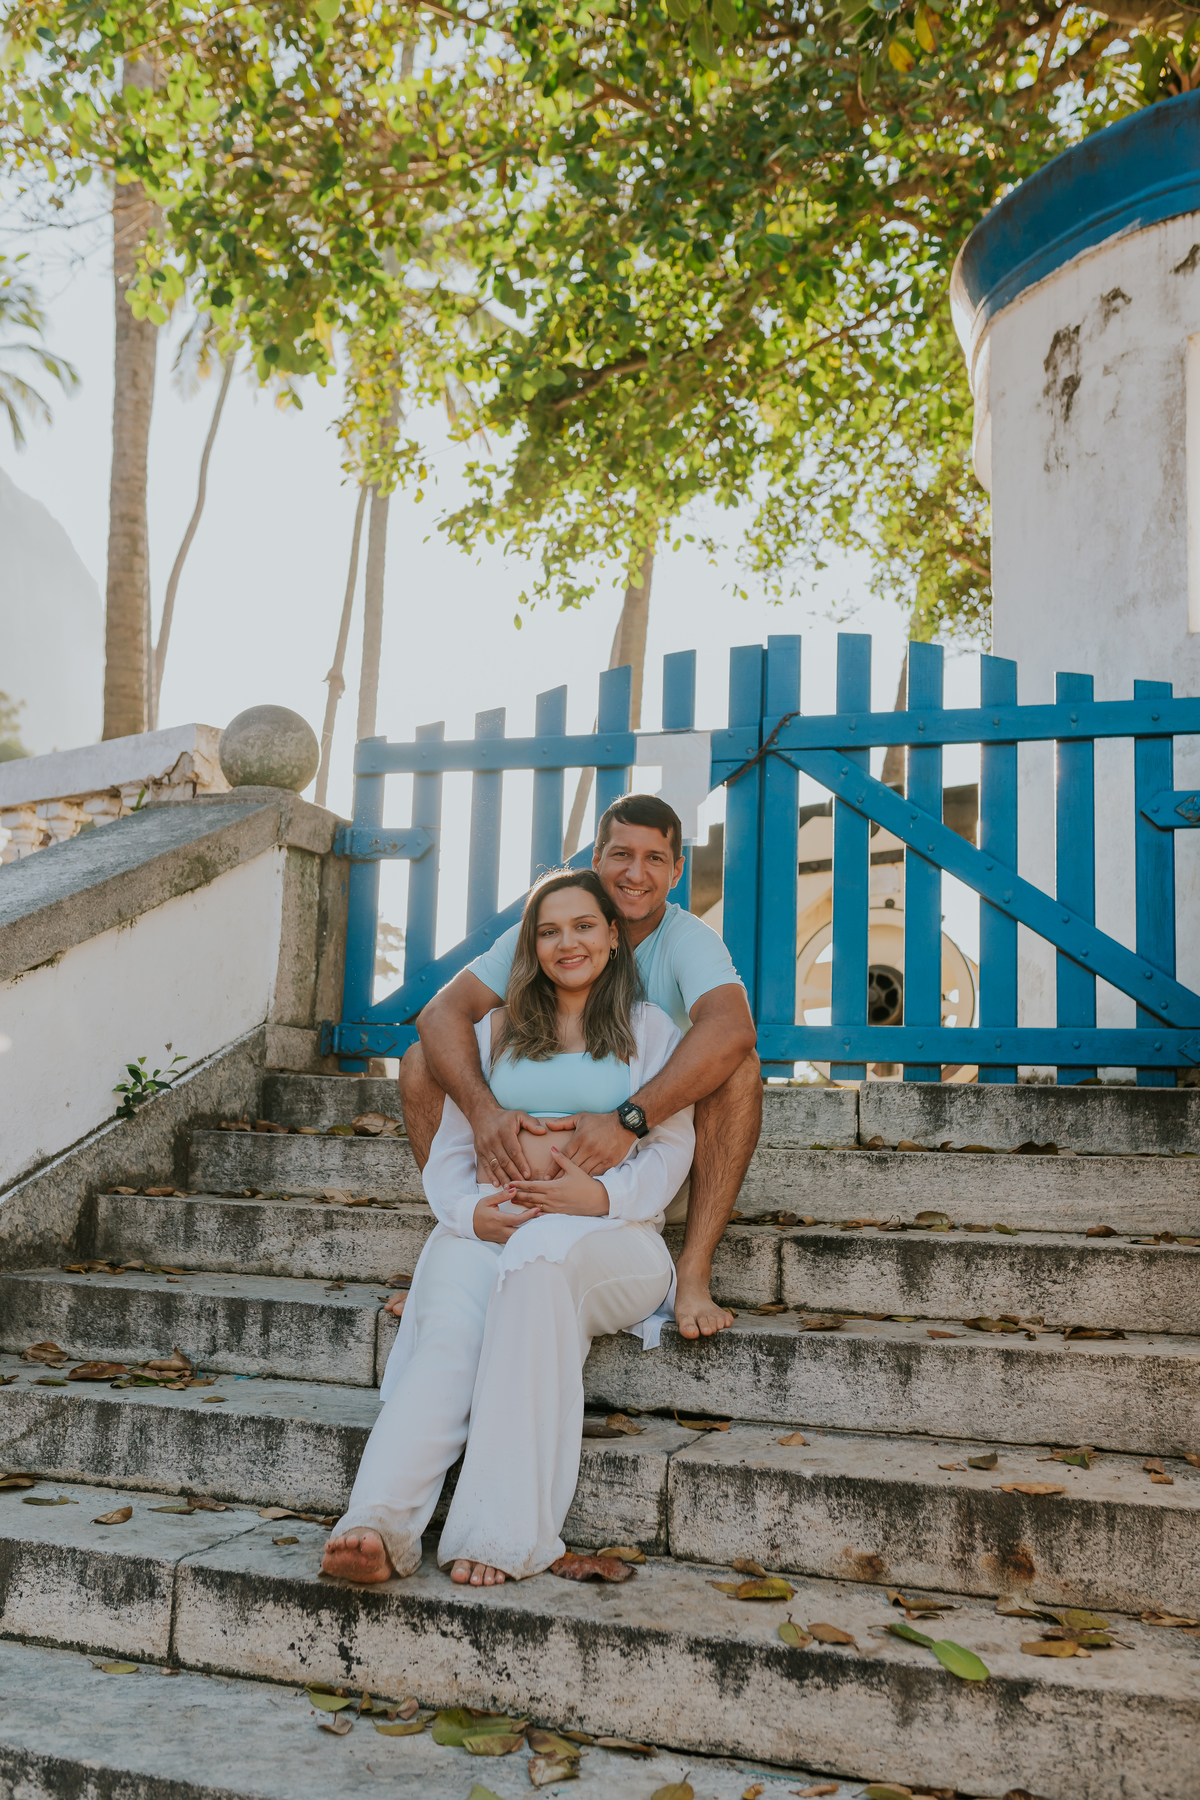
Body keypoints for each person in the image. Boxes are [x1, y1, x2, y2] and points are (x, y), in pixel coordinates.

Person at [322, 869, 694, 1588]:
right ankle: (375, 1521)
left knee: (536, 1274)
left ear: (613, 937)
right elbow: (457, 1147)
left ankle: (501, 1530)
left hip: (609, 1240)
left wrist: (597, 1197)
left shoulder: (651, 1032)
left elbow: (673, 1148)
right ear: (530, 947)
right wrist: (468, 1213)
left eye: (584, 925)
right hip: (491, 1229)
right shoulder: (497, 1033)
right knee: (449, 1334)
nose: (567, 943)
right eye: (549, 931)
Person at [399, 793, 761, 1341]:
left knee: (740, 1069)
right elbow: (441, 1013)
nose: (635, 873)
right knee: (422, 1060)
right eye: (621, 854)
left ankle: (692, 1271)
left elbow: (732, 1029)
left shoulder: (687, 938)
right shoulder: (557, 922)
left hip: (649, 1163)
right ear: (596, 859)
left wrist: (627, 1121)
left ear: (677, 869)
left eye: (655, 859)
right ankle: (462, 1240)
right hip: (514, 1170)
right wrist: (484, 1113)